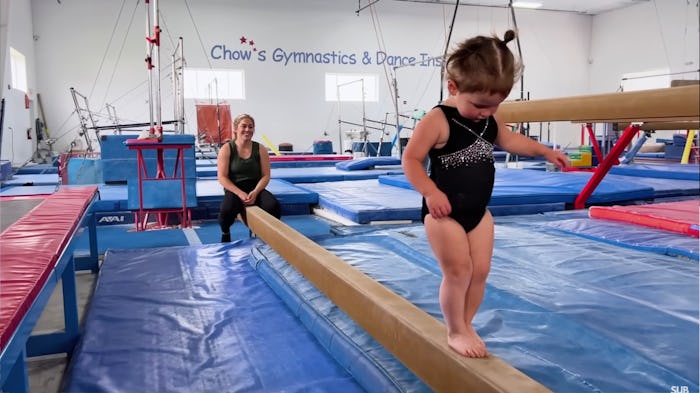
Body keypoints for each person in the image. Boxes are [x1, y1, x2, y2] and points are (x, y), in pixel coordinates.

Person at [401, 30, 569, 358]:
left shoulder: (489, 115)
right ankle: (455, 330)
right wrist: (430, 191)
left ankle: (465, 323)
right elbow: (411, 159)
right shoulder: (437, 120)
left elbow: (509, 141)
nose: (485, 113)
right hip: (443, 212)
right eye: (479, 105)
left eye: (494, 106)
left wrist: (544, 151)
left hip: (479, 212)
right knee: (459, 271)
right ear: (453, 87)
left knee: (480, 272)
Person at [217, 114, 281, 242]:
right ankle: (225, 232)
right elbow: (222, 177)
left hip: (255, 187)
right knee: (227, 211)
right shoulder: (227, 149)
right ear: (235, 129)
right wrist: (240, 193)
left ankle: (261, 232)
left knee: (273, 206)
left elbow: (266, 175)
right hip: (235, 188)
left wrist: (256, 192)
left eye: (250, 127)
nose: (247, 130)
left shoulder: (260, 149)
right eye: (244, 126)